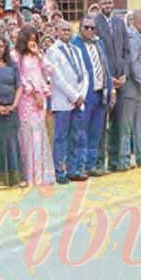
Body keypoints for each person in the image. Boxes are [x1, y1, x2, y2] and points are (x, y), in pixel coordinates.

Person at [46, 21, 88, 184]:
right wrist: (73, 95)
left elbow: (84, 73)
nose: (66, 32)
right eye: (63, 30)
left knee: (75, 136)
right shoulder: (53, 51)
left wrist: (81, 94)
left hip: (78, 100)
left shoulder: (76, 50)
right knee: (61, 137)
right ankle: (59, 170)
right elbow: (57, 78)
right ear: (56, 31)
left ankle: (73, 169)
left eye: (69, 30)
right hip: (63, 100)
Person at [13, 25, 56, 186]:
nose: (32, 42)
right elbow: (20, 77)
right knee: (27, 135)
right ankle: (29, 175)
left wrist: (39, 54)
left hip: (40, 99)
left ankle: (41, 174)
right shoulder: (17, 55)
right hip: (26, 98)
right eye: (29, 39)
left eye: (34, 39)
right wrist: (33, 92)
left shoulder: (38, 55)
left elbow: (50, 70)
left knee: (39, 134)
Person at [0, 34, 26, 187]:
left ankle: (14, 178)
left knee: (12, 143)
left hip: (11, 110)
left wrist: (14, 105)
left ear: (5, 47)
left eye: (1, 46)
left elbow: (19, 86)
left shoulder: (12, 65)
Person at [73, 15, 113, 177]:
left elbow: (106, 67)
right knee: (81, 132)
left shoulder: (99, 43)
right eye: (86, 27)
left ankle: (91, 165)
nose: (89, 30)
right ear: (80, 28)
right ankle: (79, 166)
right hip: (85, 95)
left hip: (100, 93)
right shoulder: (75, 45)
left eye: (92, 28)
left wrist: (111, 90)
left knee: (96, 131)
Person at [94, 0, 129, 172]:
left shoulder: (120, 23)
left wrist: (124, 74)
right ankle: (100, 163)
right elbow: (96, 55)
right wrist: (109, 78)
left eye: (110, 2)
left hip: (121, 82)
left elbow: (126, 51)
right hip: (104, 84)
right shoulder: (94, 24)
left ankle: (115, 162)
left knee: (118, 123)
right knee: (101, 125)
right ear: (99, 5)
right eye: (104, 3)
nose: (108, 5)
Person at [119, 10, 141, 168]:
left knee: (140, 125)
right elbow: (132, 65)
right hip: (132, 90)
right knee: (127, 127)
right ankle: (124, 160)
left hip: (140, 91)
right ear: (139, 21)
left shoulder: (139, 36)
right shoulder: (132, 37)